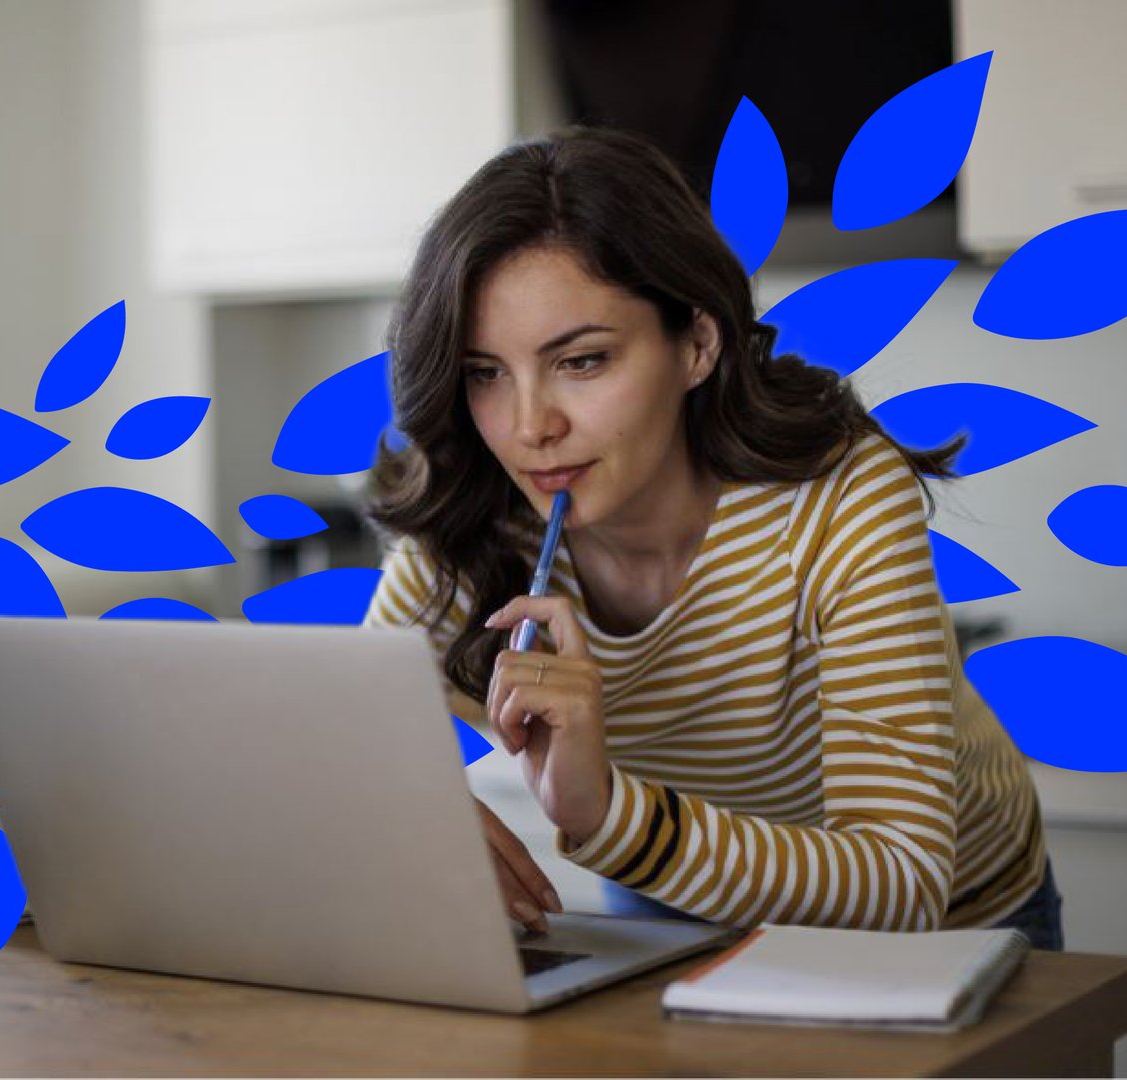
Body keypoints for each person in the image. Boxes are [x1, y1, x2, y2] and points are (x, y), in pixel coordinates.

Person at [361, 126, 1062, 951]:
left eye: (582, 361)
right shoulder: (477, 516)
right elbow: (347, 740)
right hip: (677, 897)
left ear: (696, 344)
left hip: (950, 926)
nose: (528, 428)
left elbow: (903, 878)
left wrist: (609, 816)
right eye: (485, 373)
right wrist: (407, 806)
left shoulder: (838, 496)